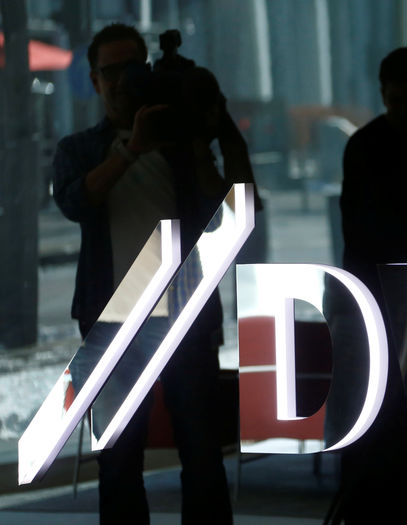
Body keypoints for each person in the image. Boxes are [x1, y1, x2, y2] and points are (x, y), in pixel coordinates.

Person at [53, 23, 252, 524]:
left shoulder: (183, 145)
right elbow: (75, 202)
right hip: (111, 320)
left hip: (185, 314)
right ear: (95, 81)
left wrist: (215, 131)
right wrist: (130, 148)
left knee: (202, 455)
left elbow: (233, 212)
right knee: (118, 458)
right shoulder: (80, 148)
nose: (123, 81)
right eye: (111, 71)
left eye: (132, 68)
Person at [324, 47, 407, 524]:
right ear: (383, 95)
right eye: (396, 100)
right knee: (365, 429)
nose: (404, 111)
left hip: (405, 297)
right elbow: (366, 228)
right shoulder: (366, 148)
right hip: (368, 299)